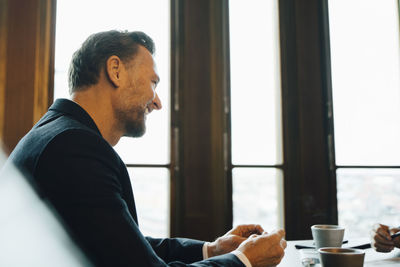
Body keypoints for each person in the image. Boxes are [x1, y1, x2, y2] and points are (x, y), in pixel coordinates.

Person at [8, 30, 286, 267]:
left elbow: (121, 245)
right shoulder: (75, 148)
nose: (157, 102)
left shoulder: (57, 135)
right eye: (153, 83)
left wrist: (212, 251)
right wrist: (243, 260)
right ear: (115, 70)